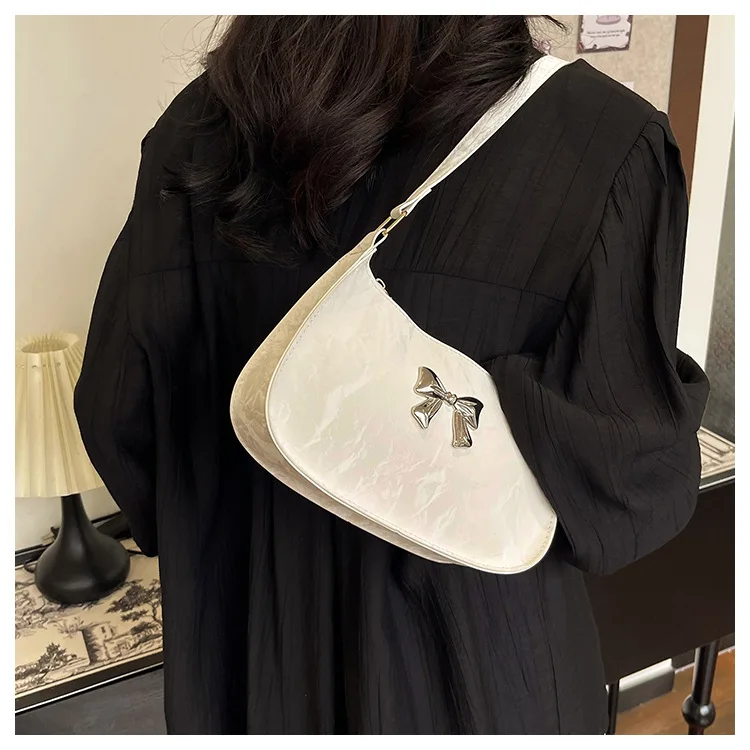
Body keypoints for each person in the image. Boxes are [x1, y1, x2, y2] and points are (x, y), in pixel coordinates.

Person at [75, 16, 709, 734]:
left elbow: (119, 417)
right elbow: (627, 491)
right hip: (476, 671)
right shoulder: (604, 139)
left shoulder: (195, 127)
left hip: (245, 655)